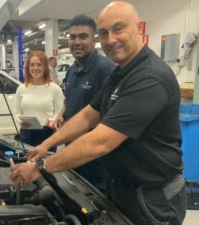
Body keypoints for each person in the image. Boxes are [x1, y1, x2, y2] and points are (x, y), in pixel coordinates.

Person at [11, 2, 187, 225]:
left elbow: (102, 141)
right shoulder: (120, 73)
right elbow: (87, 115)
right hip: (123, 188)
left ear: (138, 28)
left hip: (153, 198)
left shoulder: (149, 77)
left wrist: (41, 167)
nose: (111, 39)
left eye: (119, 29)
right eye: (104, 33)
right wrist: (46, 145)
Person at [50, 14, 115, 191]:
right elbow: (69, 100)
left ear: (93, 41)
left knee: (95, 204)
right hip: (73, 150)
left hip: (94, 158)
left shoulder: (105, 70)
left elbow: (110, 118)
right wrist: (62, 114)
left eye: (83, 36)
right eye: (72, 37)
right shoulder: (72, 69)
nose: (76, 42)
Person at [15, 51, 64, 152]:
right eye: (32, 65)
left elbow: (59, 113)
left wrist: (53, 121)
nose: (35, 68)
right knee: (27, 163)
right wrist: (20, 121)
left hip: (47, 134)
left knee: (46, 165)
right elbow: (17, 113)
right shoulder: (21, 89)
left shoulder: (55, 89)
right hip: (26, 133)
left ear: (45, 67)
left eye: (39, 64)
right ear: (28, 67)